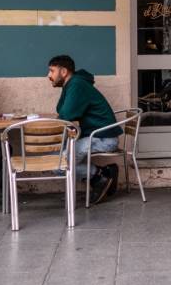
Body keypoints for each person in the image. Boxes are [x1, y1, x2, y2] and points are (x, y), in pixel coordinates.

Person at [47, 55, 121, 205]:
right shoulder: (72, 84)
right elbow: (62, 111)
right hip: (95, 136)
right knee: (55, 158)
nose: (49, 76)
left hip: (103, 139)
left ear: (64, 71)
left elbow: (66, 115)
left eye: (51, 71)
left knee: (58, 164)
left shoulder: (77, 84)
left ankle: (99, 175)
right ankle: (102, 174)